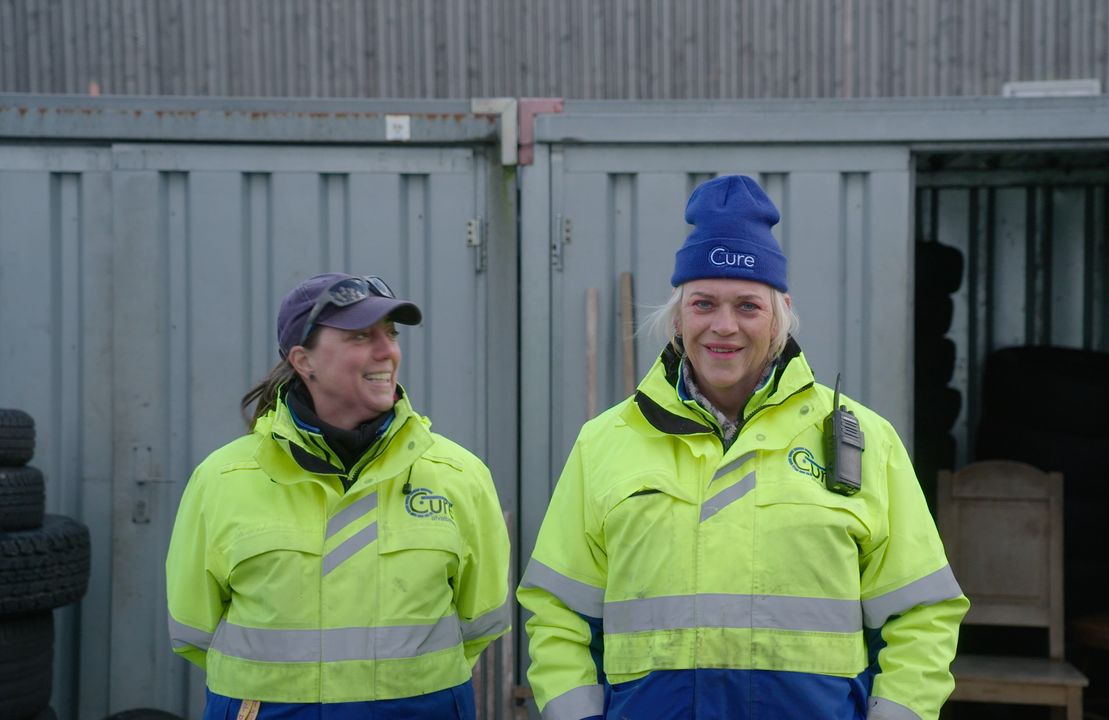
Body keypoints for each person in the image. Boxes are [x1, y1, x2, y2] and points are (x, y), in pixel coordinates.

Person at [517, 176, 968, 720]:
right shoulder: (605, 443)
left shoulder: (866, 440)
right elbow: (559, 614)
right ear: (678, 316)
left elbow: (921, 614)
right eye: (704, 303)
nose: (723, 327)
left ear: (780, 314)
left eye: (747, 306)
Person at [166, 273, 510, 719]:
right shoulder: (223, 479)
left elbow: (481, 621)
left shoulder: (458, 476)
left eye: (391, 333)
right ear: (303, 359)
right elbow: (195, 629)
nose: (387, 351)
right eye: (361, 336)